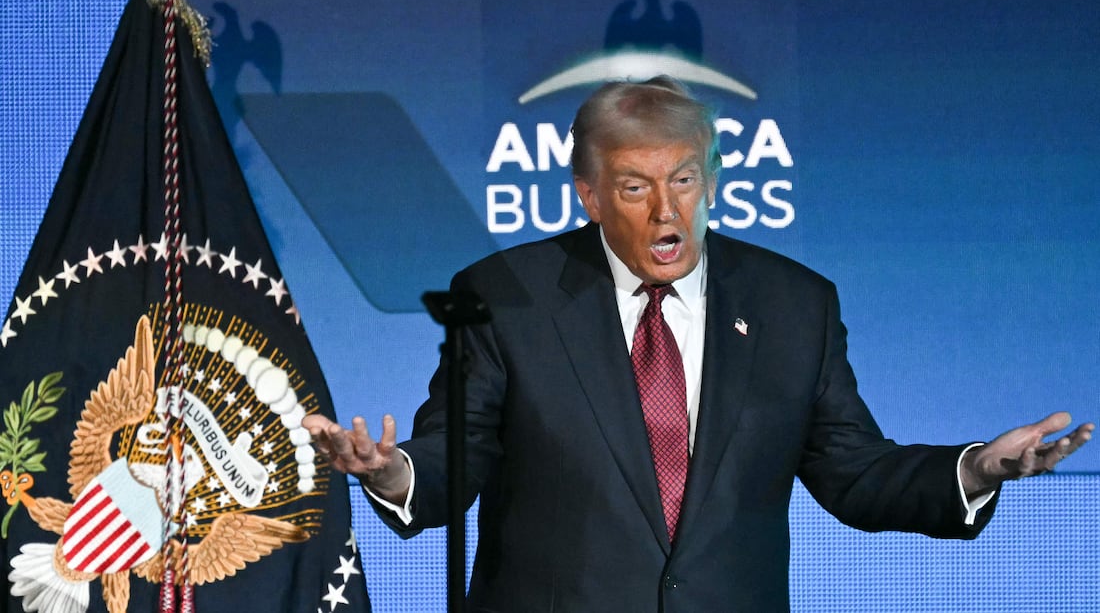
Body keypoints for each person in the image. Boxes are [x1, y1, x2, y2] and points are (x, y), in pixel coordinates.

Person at [303, 76, 1093, 611]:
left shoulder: (793, 305)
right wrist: (394, 469)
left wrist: (978, 467)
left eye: (684, 179)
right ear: (589, 192)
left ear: (711, 178)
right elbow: (456, 457)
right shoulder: (506, 297)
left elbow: (854, 471)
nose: (665, 212)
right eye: (635, 187)